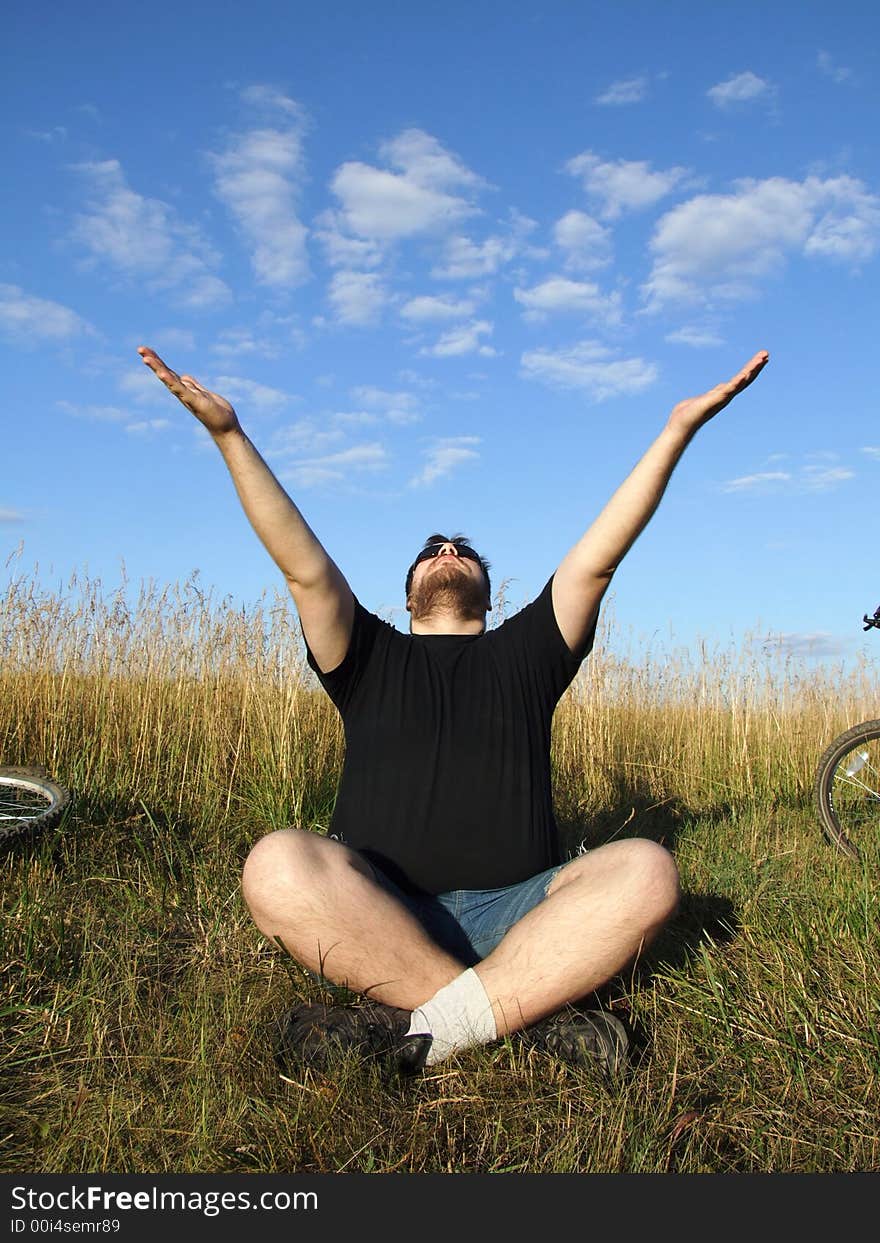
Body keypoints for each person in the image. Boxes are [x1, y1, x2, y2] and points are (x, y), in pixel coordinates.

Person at [139, 343, 769, 1078]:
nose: (446, 548)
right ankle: (520, 1019)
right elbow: (302, 565)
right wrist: (229, 435)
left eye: (461, 548)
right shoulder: (365, 653)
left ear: (491, 593)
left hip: (521, 911)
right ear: (407, 596)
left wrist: (675, 431)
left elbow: (599, 557)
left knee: (650, 871)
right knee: (275, 864)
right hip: (382, 909)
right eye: (432, 549)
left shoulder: (529, 651)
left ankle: (413, 1019)